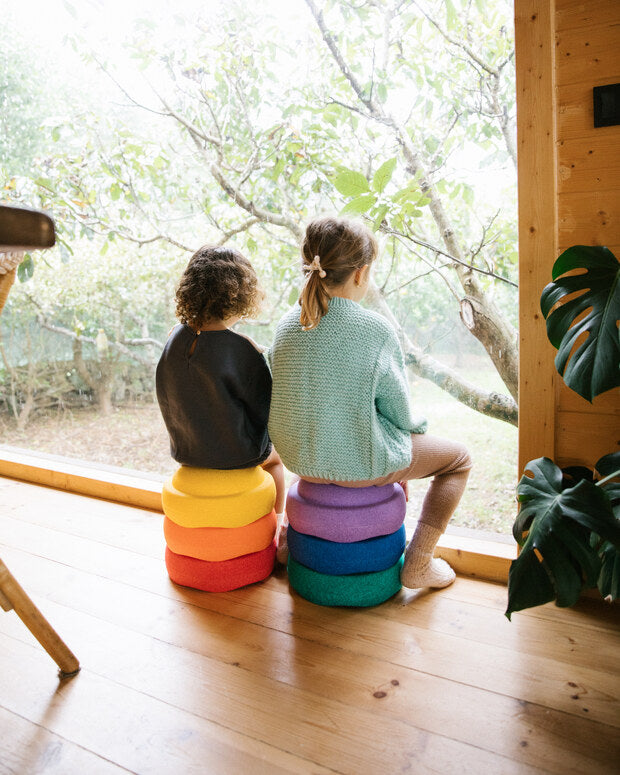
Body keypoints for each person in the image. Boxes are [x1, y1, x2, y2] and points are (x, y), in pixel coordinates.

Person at [268, 217, 472, 589]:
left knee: (322, 432)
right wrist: (413, 436)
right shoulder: (374, 330)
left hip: (301, 460)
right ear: (360, 274)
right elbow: (400, 413)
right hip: (359, 464)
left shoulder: (284, 327)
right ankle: (420, 562)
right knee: (459, 459)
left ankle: (285, 544)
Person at [156, 244, 286, 530]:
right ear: (239, 297)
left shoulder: (172, 337)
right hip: (238, 454)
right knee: (276, 461)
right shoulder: (244, 349)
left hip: (186, 449)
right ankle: (278, 528)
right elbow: (265, 413)